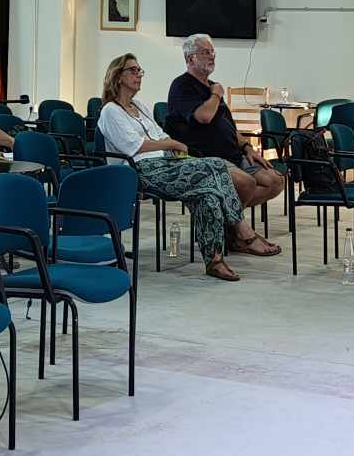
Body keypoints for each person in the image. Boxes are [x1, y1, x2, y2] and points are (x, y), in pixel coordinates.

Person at [96, 53, 276, 280]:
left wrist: (170, 145)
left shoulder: (139, 106)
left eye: (140, 70)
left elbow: (159, 134)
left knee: (208, 195)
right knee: (216, 164)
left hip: (166, 163)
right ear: (118, 76)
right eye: (133, 70)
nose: (139, 75)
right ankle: (242, 230)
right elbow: (134, 146)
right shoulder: (110, 110)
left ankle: (215, 261)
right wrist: (171, 143)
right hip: (141, 170)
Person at [166, 35, 284, 215]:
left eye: (213, 52)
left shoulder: (213, 86)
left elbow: (229, 127)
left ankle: (221, 215)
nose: (212, 56)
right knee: (247, 184)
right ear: (191, 59)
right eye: (206, 52)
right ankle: (229, 222)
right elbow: (204, 117)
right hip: (205, 158)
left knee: (275, 181)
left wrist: (248, 147)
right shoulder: (182, 86)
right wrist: (216, 95)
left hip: (234, 154)